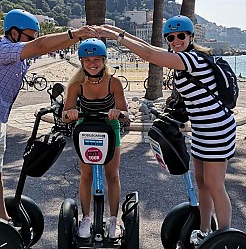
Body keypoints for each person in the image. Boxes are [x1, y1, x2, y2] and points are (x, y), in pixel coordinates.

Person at [99, 15, 236, 245]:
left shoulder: (192, 59)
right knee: (202, 182)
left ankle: (224, 237)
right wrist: (121, 32)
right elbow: (151, 49)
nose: (175, 40)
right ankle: (203, 231)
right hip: (202, 129)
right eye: (170, 37)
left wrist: (117, 36)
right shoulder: (182, 59)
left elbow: (151, 55)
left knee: (214, 184)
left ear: (191, 36)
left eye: (181, 35)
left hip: (217, 127)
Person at [0, 8, 98, 222]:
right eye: (28, 37)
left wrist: (79, 37)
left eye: (32, 38)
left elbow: (48, 46)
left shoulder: (21, 54)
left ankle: (2, 219)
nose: (31, 41)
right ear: (14, 33)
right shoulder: (2, 49)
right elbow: (41, 44)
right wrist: (75, 32)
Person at [62, 38, 129, 239]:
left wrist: (118, 113)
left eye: (97, 59)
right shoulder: (76, 85)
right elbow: (64, 116)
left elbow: (126, 113)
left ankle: (114, 220)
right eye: (88, 59)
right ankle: (86, 218)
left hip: (110, 129)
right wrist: (71, 114)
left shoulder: (114, 83)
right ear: (82, 62)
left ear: (104, 60)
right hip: (86, 131)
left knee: (112, 175)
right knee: (86, 175)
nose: (92, 63)